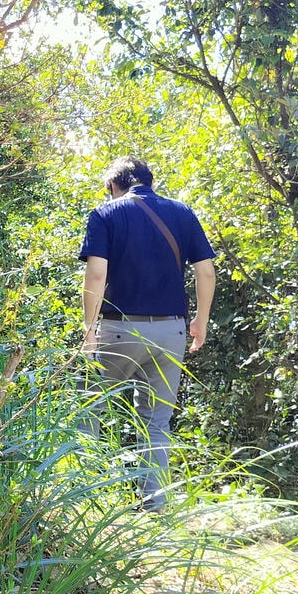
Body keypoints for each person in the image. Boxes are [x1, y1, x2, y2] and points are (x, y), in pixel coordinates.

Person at [77, 157, 216, 509]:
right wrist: (200, 319)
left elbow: (96, 276)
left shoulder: (105, 214)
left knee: (92, 409)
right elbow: (207, 272)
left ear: (113, 185)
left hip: (117, 330)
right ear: (150, 183)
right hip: (171, 330)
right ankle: (154, 504)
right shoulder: (183, 213)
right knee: (156, 423)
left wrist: (89, 328)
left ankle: (84, 500)